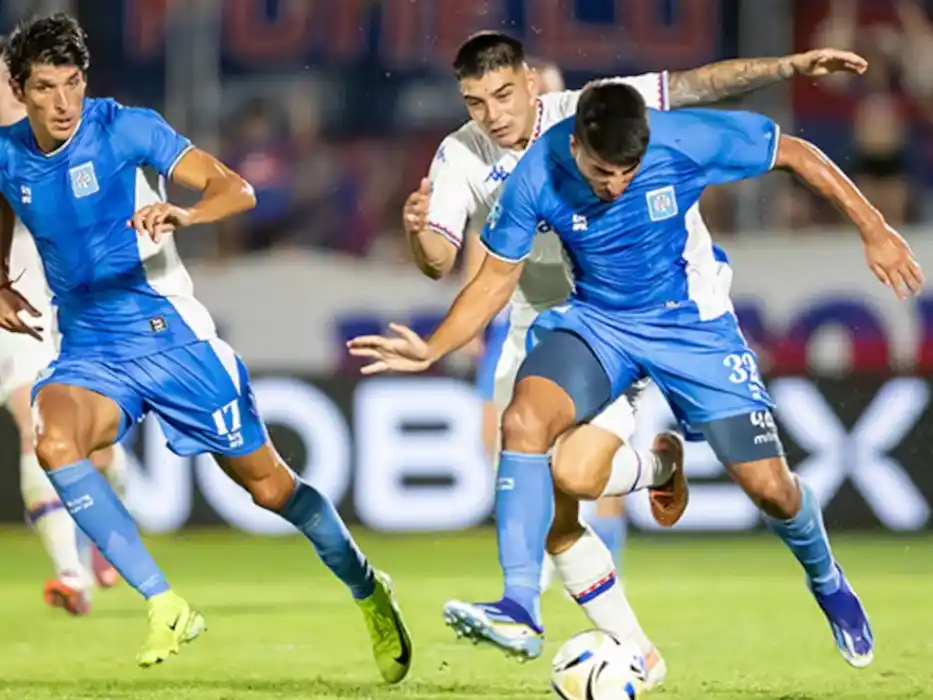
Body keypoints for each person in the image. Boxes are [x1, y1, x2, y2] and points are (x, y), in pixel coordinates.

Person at [351, 82, 924, 668]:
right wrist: (432, 348)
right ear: (575, 144)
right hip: (599, 323)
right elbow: (494, 281)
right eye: (604, 171)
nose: (619, 184)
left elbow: (796, 153)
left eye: (630, 171)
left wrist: (874, 229)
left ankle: (825, 578)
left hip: (692, 326)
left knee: (771, 489)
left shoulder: (682, 139)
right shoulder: (535, 175)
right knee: (525, 425)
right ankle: (520, 607)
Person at [0, 14, 412, 681]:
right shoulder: (7, 151)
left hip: (172, 340)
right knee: (52, 440)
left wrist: (187, 214)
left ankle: (368, 586)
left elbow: (235, 187)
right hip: (92, 349)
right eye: (46, 87)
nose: (64, 102)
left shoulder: (124, 128)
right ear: (20, 89)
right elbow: (5, 198)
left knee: (272, 490)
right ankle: (163, 602)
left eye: (73, 83)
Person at [0, 35, 122, 616]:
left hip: (60, 280)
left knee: (91, 441)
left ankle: (106, 529)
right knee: (36, 421)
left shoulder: (51, 131)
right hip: (11, 288)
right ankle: (70, 574)